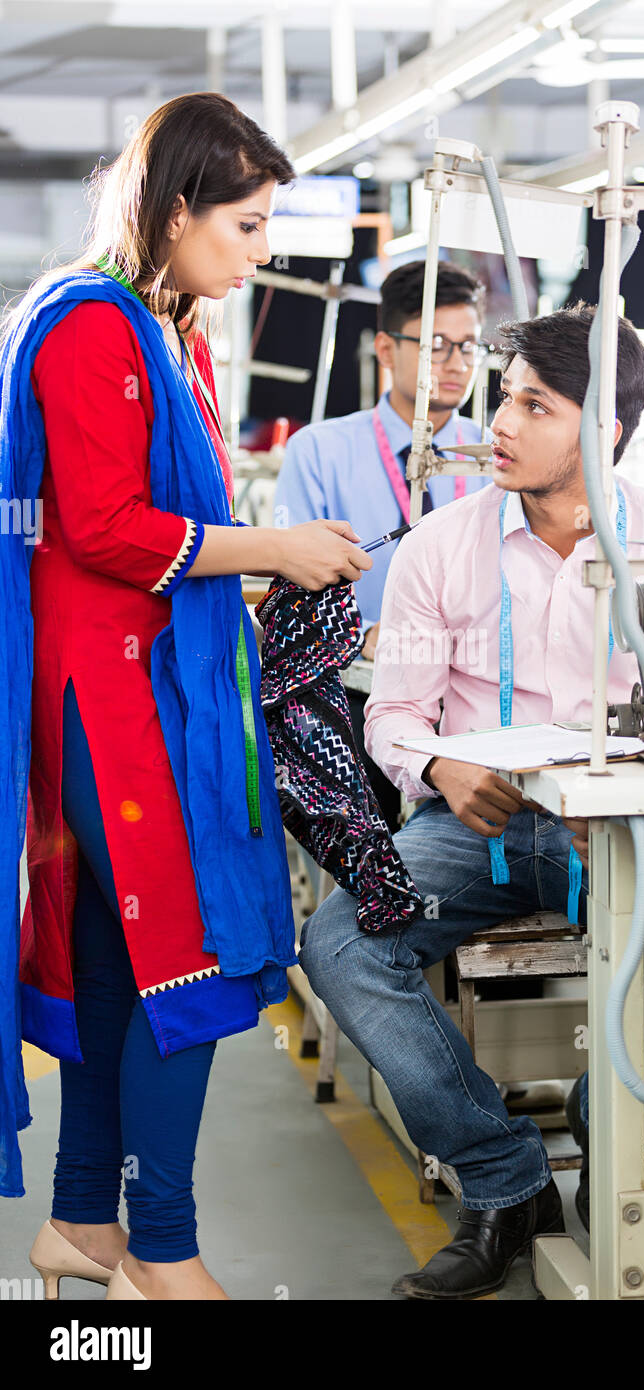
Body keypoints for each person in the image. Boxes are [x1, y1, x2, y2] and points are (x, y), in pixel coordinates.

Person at [0, 91, 372, 1300]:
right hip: (108, 704)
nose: (258, 252)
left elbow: (165, 535)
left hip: (146, 684)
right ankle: (162, 1246)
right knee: (192, 965)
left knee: (118, 969)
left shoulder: (168, 336)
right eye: (247, 226)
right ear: (173, 211)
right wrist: (271, 551)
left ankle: (82, 1225)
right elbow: (106, 530)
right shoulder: (89, 331)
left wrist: (253, 581)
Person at [298, 303, 644, 1300]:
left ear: (601, 431)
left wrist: (636, 789)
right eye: (502, 397)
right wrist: (437, 769)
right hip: (475, 823)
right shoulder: (437, 548)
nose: (494, 423)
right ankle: (505, 1177)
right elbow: (393, 715)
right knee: (339, 943)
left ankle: (608, 1113)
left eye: (531, 405)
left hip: (615, 827)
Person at [273, 259, 491, 829]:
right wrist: (363, 632)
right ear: (387, 350)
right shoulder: (319, 452)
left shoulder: (496, 455)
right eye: (437, 344)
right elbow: (294, 595)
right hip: (361, 679)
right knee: (365, 771)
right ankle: (385, 877)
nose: (456, 364)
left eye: (469, 347)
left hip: (476, 682)